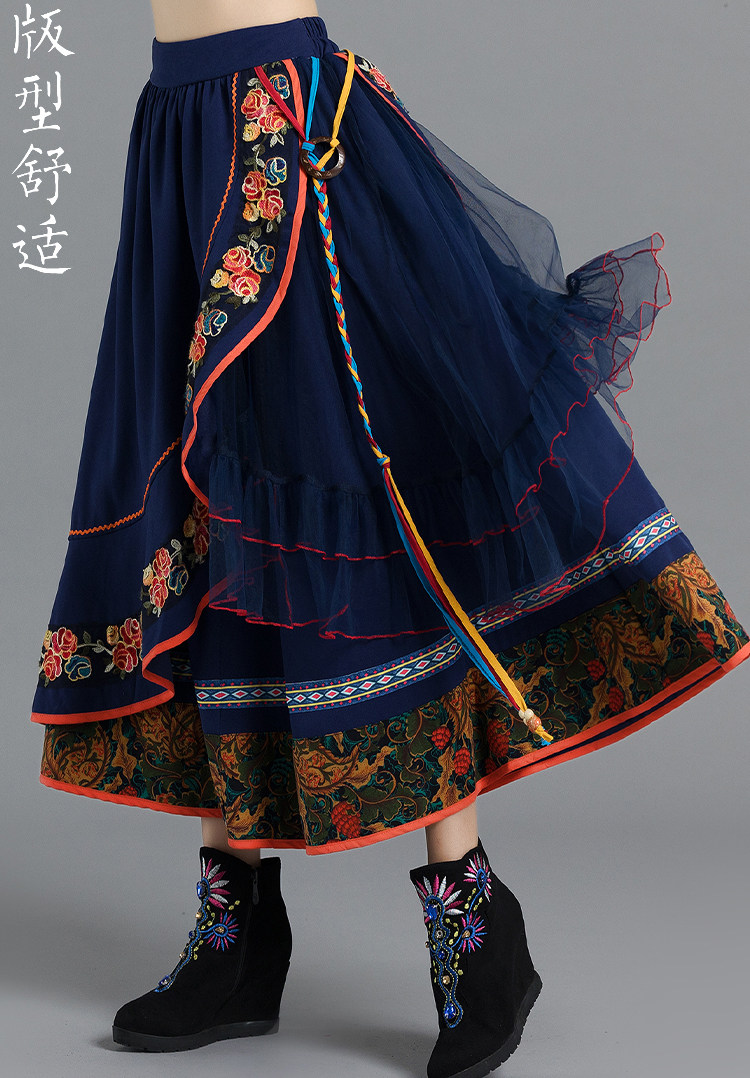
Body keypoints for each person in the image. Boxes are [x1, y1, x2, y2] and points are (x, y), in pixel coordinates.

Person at [30, 2, 749, 1075]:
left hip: (286, 131)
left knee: (359, 494)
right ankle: (236, 933)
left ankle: (472, 918)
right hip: (180, 129)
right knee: (208, 516)